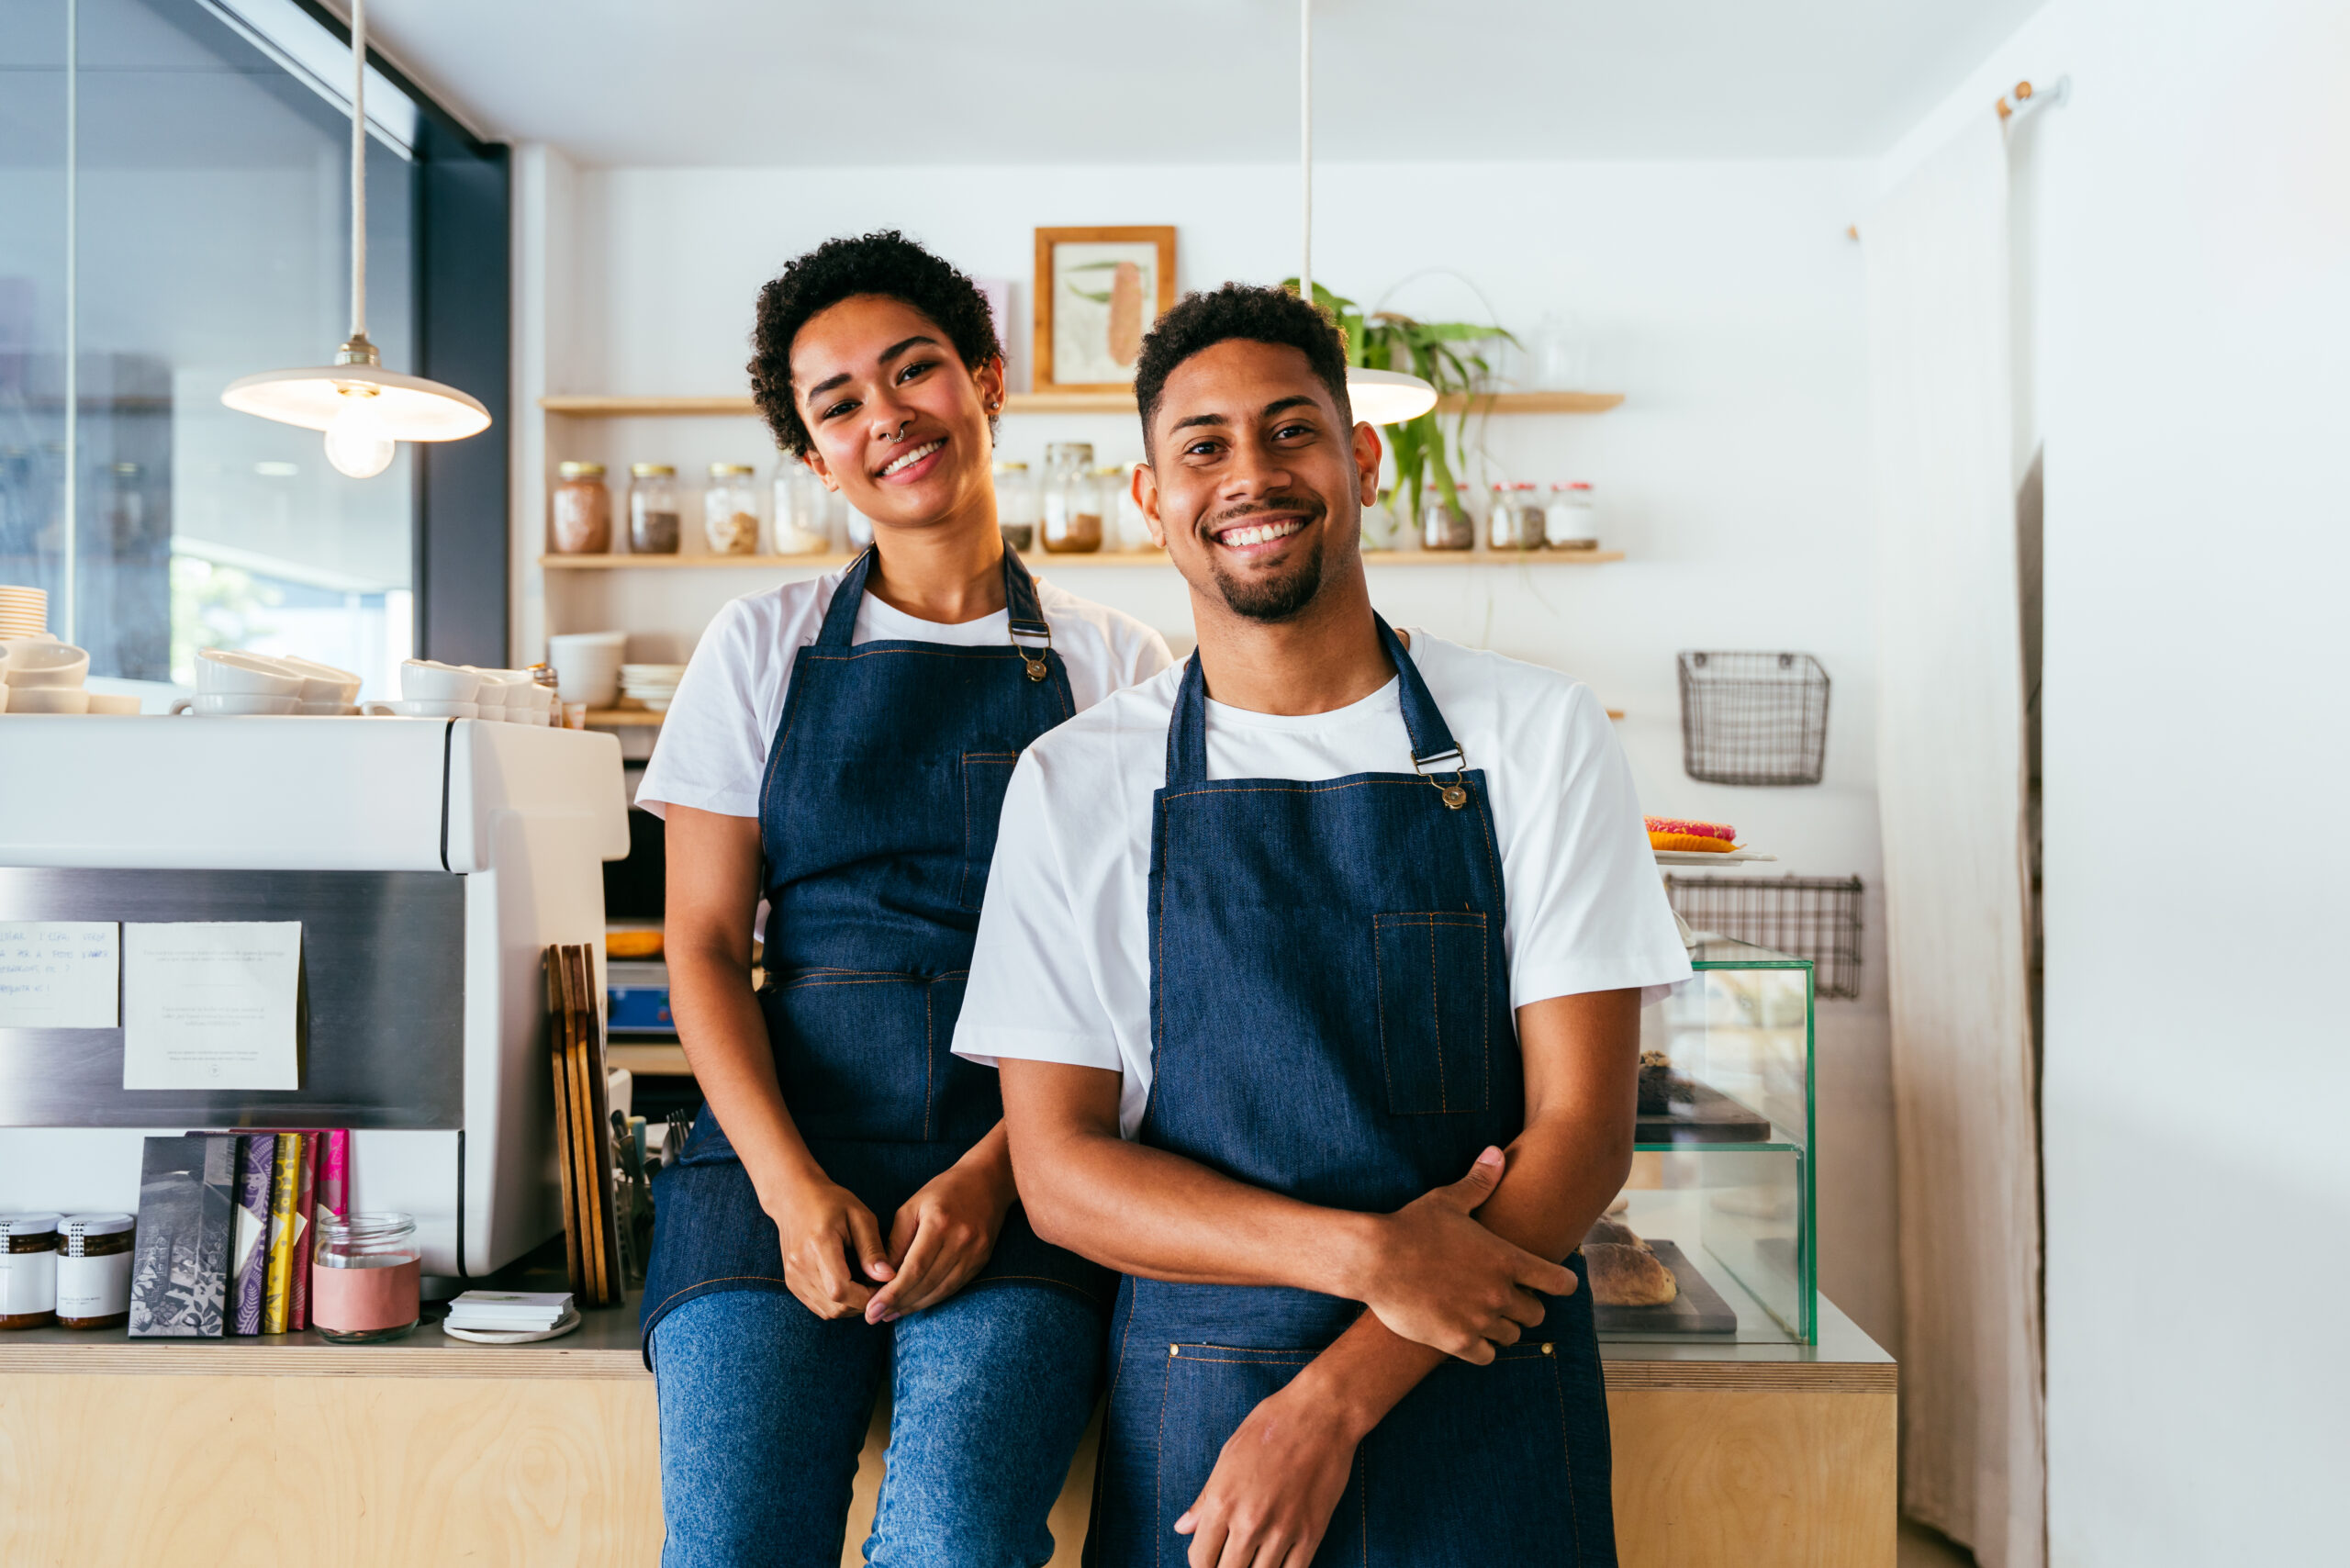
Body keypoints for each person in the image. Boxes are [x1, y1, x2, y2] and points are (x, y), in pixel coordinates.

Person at [951, 283, 1693, 1568]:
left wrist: (1333, 1402)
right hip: (1207, 1414)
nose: (1251, 474)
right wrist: (1373, 1257)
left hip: (1480, 1378)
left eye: (1292, 431)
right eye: (1203, 446)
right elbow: (1060, 1173)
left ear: (1359, 459)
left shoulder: (1534, 734)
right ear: (1151, 499)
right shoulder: (1076, 782)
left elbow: (1581, 1136)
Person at [635, 230, 1173, 1568]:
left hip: (1032, 1154)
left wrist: (1004, 1179)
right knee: (733, 1546)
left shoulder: (1120, 662)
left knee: (955, 1543)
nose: (888, 418)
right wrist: (787, 1185)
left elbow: (1147, 979)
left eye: (914, 371)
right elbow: (701, 946)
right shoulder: (759, 643)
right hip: (773, 1153)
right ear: (818, 459)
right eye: (839, 406)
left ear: (986, 382)